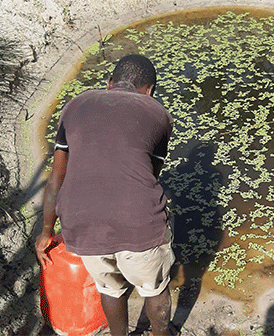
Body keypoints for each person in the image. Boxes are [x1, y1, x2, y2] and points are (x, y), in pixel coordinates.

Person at [35, 54, 175, 336]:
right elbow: (149, 175)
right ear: (150, 90)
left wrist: (46, 231)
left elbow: (57, 177)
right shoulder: (158, 113)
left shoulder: (75, 106)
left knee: (109, 287)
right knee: (155, 288)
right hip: (139, 222)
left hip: (80, 225)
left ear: (109, 83)